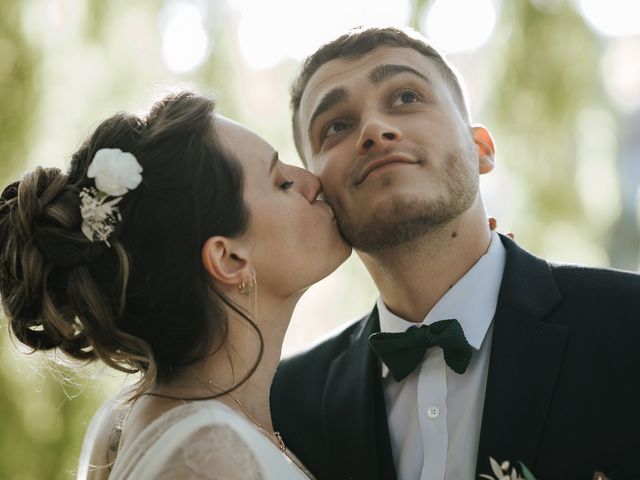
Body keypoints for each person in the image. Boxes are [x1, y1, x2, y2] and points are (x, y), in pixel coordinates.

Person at [270, 27, 640, 480]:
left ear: (481, 149)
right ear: (318, 196)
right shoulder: (285, 405)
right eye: (336, 126)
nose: (373, 129)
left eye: (406, 97)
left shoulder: (629, 324)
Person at [0, 91, 351, 479]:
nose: (311, 182)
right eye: (282, 182)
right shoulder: (208, 457)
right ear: (229, 259)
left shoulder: (129, 419)